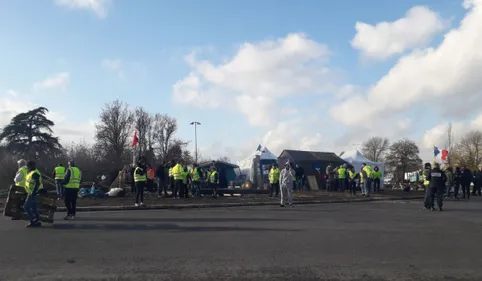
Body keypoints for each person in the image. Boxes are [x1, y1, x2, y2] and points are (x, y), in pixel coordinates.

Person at [23, 160, 44, 227]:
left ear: (30, 166)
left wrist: (33, 192)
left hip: (33, 193)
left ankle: (33, 219)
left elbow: (37, 183)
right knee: (33, 207)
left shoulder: (34, 173)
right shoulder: (31, 172)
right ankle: (36, 221)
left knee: (26, 206)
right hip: (31, 192)